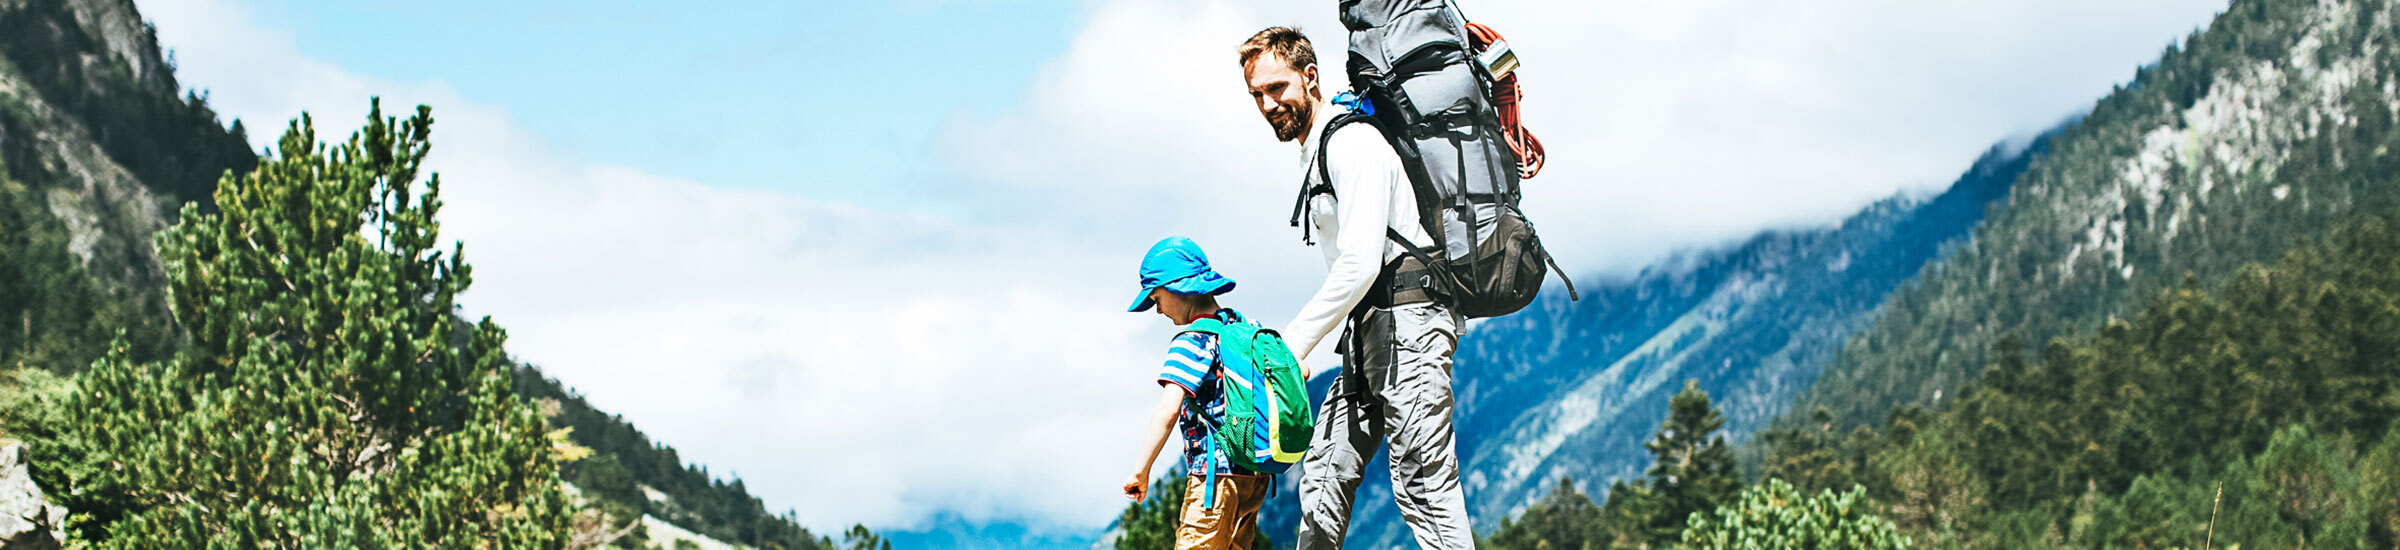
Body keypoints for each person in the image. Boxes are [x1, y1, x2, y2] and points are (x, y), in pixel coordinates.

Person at [1237, 27, 1476, 550]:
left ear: (1310, 77)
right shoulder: (1319, 150)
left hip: (1410, 322)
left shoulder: (1353, 142)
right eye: (1257, 94)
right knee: (1323, 473)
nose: (1268, 104)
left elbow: (1363, 261)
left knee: (1423, 482)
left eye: (1277, 88)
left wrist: (1293, 344)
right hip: (1367, 328)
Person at [1120, 236, 1271, 550]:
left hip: (1214, 479)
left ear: (1178, 288)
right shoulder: (1246, 328)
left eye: (1157, 299)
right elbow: (1301, 370)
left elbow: (1168, 409)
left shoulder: (1191, 340)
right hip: (1255, 477)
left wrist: (1141, 470)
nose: (1158, 310)